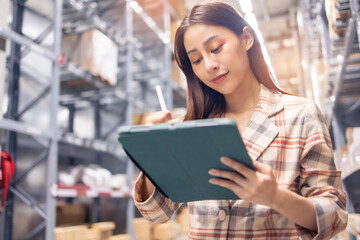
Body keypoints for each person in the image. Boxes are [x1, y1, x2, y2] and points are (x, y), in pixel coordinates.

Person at [132, 2, 347, 239]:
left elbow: (334, 216)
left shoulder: (301, 115)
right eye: (196, 61)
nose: (209, 65)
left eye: (216, 48)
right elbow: (156, 212)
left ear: (246, 38)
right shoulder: (193, 126)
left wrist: (276, 197)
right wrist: (155, 156)